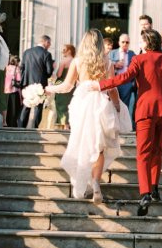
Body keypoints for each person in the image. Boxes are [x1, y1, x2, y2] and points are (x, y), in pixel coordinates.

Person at [88, 29, 162, 216]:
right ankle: (155, 187)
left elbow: (124, 77)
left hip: (146, 110)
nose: (139, 45)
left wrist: (101, 85)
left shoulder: (139, 60)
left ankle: (145, 193)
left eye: (141, 42)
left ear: (146, 43)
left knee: (143, 153)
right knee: (157, 149)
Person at [45, 29, 122, 204]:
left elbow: (66, 86)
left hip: (81, 103)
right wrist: (117, 106)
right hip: (101, 104)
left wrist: (50, 88)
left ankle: (83, 181)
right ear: (101, 43)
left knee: (82, 142)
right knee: (99, 145)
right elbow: (111, 88)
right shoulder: (108, 62)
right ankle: (95, 181)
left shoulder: (78, 62)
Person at [18, 35, 54, 128]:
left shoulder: (27, 52)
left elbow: (22, 68)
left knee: (26, 105)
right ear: (46, 42)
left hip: (27, 83)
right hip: (40, 84)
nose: (49, 46)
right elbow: (49, 72)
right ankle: (34, 128)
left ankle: (20, 127)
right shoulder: (46, 54)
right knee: (38, 107)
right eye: (49, 43)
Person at [109, 33, 136, 115]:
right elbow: (107, 63)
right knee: (113, 104)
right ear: (119, 42)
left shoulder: (132, 53)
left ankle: (124, 125)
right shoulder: (113, 52)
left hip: (127, 82)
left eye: (127, 42)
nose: (125, 44)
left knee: (125, 105)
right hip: (114, 81)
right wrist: (115, 64)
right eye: (123, 42)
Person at [54, 44, 76, 129]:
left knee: (61, 105)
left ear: (69, 51)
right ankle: (70, 125)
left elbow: (59, 75)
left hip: (63, 84)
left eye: (64, 50)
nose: (62, 51)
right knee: (70, 105)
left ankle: (65, 126)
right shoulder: (75, 61)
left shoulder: (63, 61)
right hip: (73, 85)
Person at [4, 55, 22, 127]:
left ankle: (6, 122)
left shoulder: (6, 67)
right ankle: (13, 124)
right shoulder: (16, 68)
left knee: (8, 108)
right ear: (16, 62)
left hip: (5, 90)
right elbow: (19, 79)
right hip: (14, 90)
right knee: (14, 109)